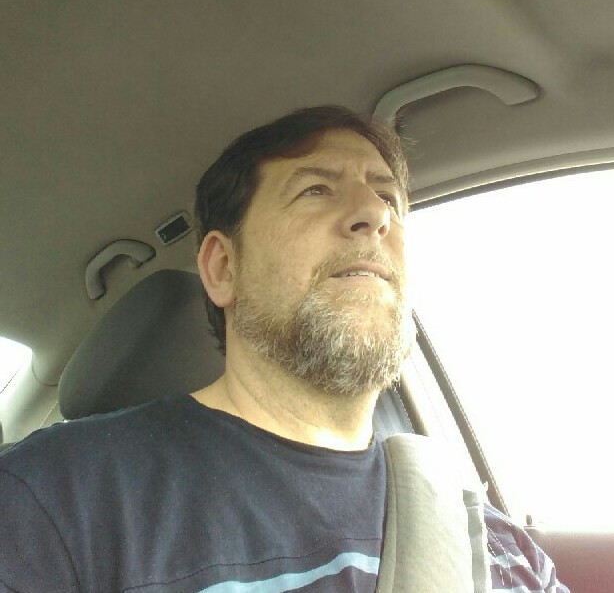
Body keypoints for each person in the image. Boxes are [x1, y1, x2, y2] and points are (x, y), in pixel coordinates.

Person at [0, 106, 568, 592]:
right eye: (316, 189)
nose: (375, 215)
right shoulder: (54, 499)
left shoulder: (496, 544)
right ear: (224, 267)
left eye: (388, 197)